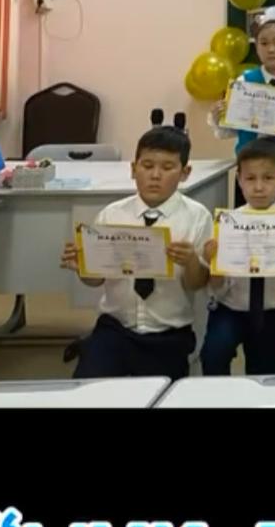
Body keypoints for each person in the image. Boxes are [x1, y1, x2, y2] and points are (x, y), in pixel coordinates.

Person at [58, 125, 212, 380]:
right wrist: (82, 266)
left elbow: (197, 283)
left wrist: (191, 261)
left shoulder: (197, 217)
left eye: (167, 167)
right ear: (133, 169)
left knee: (164, 393)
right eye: (147, 166)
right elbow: (95, 280)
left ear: (185, 173)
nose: (155, 175)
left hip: (168, 332)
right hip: (115, 327)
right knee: (87, 388)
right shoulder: (112, 214)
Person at [200, 138, 275, 376]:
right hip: (231, 308)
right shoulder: (227, 223)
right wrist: (214, 266)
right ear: (239, 180)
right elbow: (217, 289)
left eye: (268, 178)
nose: (259, 187)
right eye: (250, 178)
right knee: (213, 355)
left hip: (273, 310)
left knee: (264, 373)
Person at [209, 7, 275, 209]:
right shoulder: (244, 81)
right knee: (246, 218)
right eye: (264, 43)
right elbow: (229, 130)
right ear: (257, 47)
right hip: (249, 165)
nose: (271, 49)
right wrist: (219, 117)